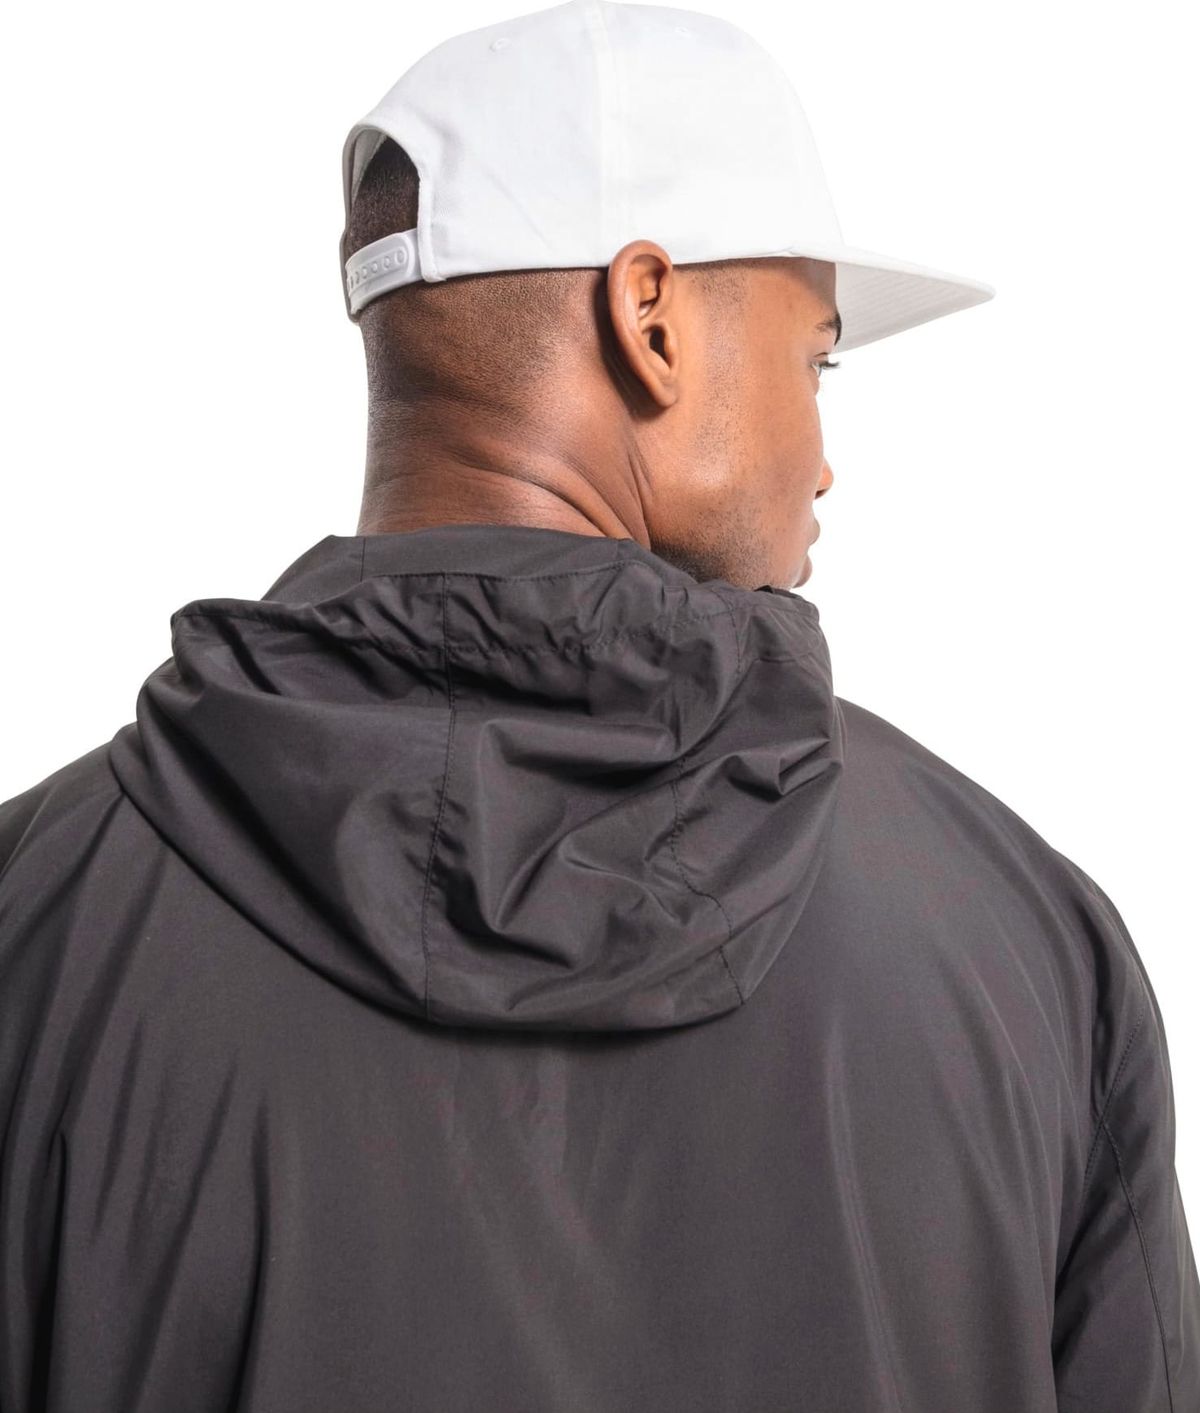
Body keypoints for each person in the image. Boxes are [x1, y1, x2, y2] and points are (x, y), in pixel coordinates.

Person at [2, 1, 1197, 1408]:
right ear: (650, 320)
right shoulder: (1020, 938)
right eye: (817, 358)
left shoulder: (39, 926)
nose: (827, 461)